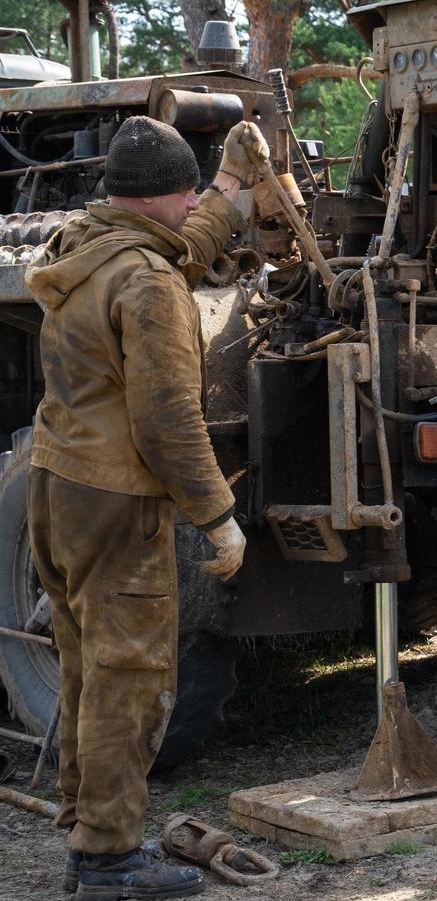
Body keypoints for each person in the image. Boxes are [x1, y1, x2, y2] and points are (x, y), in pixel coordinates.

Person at [25, 115, 269, 899]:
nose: (196, 200)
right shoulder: (149, 284)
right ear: (165, 195)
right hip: (118, 499)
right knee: (128, 677)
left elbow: (175, 242)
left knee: (86, 666)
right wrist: (218, 517)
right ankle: (108, 864)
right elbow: (169, 421)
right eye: (191, 191)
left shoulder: (85, 244)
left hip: (56, 482)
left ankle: (85, 833)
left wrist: (229, 191)